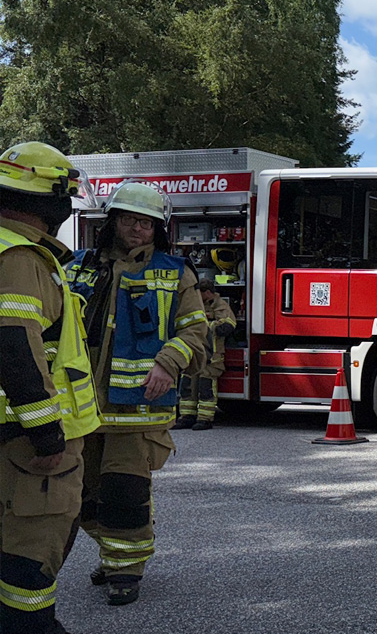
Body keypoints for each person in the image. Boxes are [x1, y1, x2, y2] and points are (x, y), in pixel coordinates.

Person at [64, 179, 208, 605]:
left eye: (146, 223)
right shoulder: (76, 267)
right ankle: (112, 553)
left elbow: (196, 330)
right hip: (81, 406)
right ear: (113, 221)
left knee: (125, 493)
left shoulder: (175, 273)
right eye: (129, 219)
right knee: (79, 495)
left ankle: (126, 569)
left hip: (136, 412)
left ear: (158, 229)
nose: (137, 229)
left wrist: (169, 361)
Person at [0, 142, 100, 634]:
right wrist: (47, 435)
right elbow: (15, 346)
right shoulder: (22, 257)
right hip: (26, 445)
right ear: (51, 200)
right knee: (29, 556)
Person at [174, 279, 236, 431]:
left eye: (199, 293)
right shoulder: (196, 305)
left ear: (207, 292)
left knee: (205, 386)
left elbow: (228, 325)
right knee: (188, 385)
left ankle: (205, 419)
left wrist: (207, 325)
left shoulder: (220, 305)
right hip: (194, 353)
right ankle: (187, 416)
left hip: (212, 355)